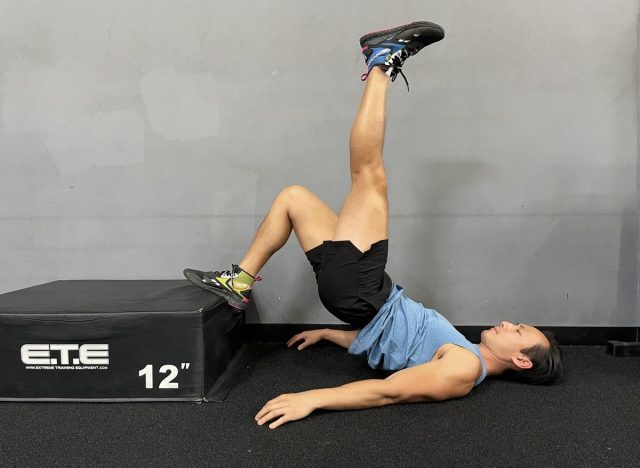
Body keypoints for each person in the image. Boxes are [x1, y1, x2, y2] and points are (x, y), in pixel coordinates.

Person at [183, 21, 564, 429]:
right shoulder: (460, 347)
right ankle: (239, 280)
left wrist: (314, 399)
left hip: (363, 293)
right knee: (294, 198)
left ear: (521, 360)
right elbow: (392, 342)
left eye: (519, 330)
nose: (509, 322)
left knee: (369, 175)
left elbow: (390, 390)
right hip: (361, 298)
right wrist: (332, 334)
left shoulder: (464, 369)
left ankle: (382, 63)